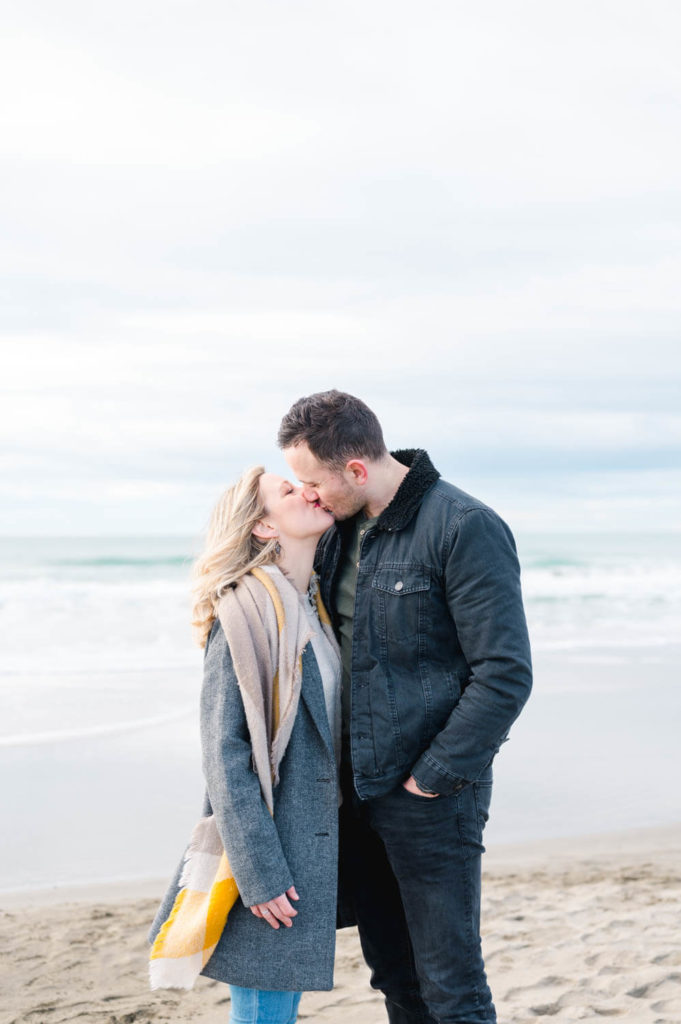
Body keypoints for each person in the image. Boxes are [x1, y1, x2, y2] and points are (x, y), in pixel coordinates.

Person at [278, 390, 533, 1024]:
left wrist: (431, 779)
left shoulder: (464, 526)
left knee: (452, 989)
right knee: (394, 977)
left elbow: (504, 674)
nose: (308, 495)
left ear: (356, 471)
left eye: (313, 483)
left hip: (431, 798)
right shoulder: (334, 532)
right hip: (355, 794)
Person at [147, 465, 342, 1024]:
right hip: (270, 851)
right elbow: (222, 755)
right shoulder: (242, 614)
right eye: (288, 490)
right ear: (263, 527)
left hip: (310, 842)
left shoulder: (312, 606)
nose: (307, 490)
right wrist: (259, 873)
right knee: (263, 1013)